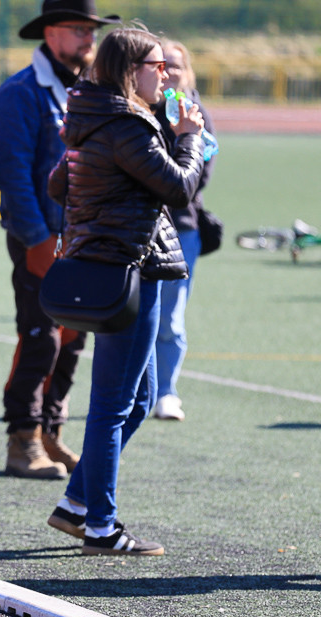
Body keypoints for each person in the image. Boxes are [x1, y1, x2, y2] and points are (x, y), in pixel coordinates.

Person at [45, 26, 204, 556]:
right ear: (129, 70)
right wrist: (187, 136)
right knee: (115, 405)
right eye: (157, 65)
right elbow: (180, 188)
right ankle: (101, 526)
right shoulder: (126, 124)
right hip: (129, 269)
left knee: (136, 402)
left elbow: (57, 185)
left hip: (119, 266)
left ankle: (75, 504)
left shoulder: (90, 117)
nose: (166, 74)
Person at [0, 0, 119, 479]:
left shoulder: (94, 88)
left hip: (87, 239)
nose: (88, 38)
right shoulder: (20, 92)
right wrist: (38, 239)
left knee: (74, 338)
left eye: (92, 29)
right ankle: (21, 437)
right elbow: (13, 175)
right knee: (39, 336)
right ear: (50, 33)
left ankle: (50, 431)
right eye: (77, 28)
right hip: (40, 236)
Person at [152, 39, 215, 422]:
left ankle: (166, 392)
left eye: (176, 65)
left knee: (170, 318)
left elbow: (203, 166)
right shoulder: (139, 107)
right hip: (138, 227)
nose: (170, 71)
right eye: (162, 64)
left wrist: (174, 190)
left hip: (182, 227)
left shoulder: (192, 109)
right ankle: (137, 389)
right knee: (136, 314)